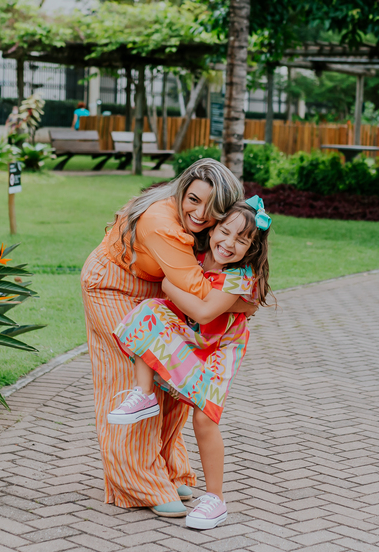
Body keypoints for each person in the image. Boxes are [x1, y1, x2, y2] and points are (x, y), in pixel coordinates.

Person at [81, 159, 246, 517]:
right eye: (193, 199)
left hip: (157, 290)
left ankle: (168, 469)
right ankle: (140, 482)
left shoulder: (194, 223)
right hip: (113, 286)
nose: (201, 213)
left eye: (212, 206)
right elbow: (200, 292)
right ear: (182, 190)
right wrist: (241, 300)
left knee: (173, 379)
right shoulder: (161, 223)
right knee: (132, 380)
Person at [108, 197, 272, 530]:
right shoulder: (194, 254)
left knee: (204, 418)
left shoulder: (241, 277)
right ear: (214, 228)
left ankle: (215, 500)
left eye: (242, 240)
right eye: (226, 232)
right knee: (150, 312)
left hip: (220, 348)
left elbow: (204, 312)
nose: (229, 244)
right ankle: (144, 395)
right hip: (191, 337)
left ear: (252, 249)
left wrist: (169, 284)